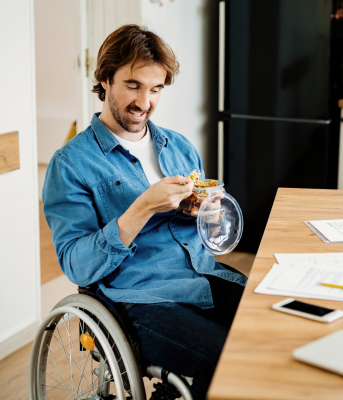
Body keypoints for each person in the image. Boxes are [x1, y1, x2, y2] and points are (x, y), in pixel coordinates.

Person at [42, 24, 246, 400]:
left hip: (202, 276)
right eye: (133, 85)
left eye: (156, 89)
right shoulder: (69, 164)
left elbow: (209, 239)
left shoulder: (179, 146)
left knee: (273, 332)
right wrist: (141, 209)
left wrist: (209, 216)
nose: (144, 102)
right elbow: (76, 264)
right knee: (230, 361)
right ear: (105, 79)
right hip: (139, 299)